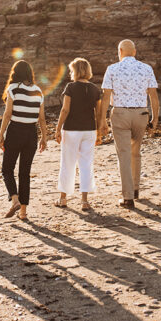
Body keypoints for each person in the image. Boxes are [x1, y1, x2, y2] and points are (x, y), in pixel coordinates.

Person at [99, 40, 159, 209]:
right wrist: (155, 119)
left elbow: (105, 96)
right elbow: (153, 96)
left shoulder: (112, 69)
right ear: (134, 51)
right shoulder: (146, 68)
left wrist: (102, 120)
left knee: (124, 154)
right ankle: (136, 189)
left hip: (120, 114)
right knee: (136, 152)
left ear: (120, 51)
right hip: (141, 114)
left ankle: (128, 197)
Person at [0, 59, 47, 220]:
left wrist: (1, 134)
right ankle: (23, 212)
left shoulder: (13, 89)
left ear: (15, 73)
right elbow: (42, 118)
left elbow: (7, 114)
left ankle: (15, 200)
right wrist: (44, 137)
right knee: (24, 173)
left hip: (15, 131)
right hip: (31, 134)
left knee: (7, 169)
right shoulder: (38, 91)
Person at [54, 57, 102, 211]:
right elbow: (99, 113)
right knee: (86, 164)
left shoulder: (70, 87)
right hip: (89, 130)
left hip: (71, 130)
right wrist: (99, 133)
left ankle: (63, 198)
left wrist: (57, 127)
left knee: (67, 163)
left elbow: (65, 110)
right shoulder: (95, 89)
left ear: (75, 71)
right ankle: (84, 201)